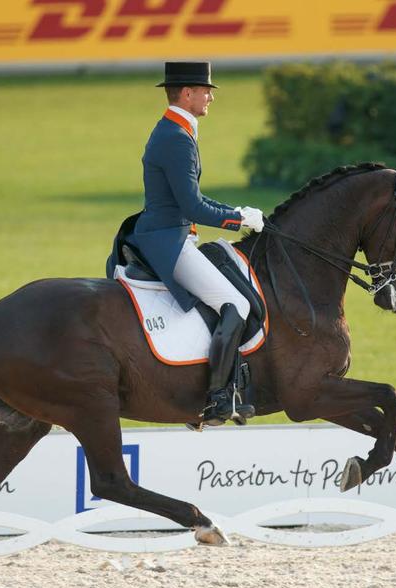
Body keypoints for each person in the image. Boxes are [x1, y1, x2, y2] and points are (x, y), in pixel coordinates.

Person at [126, 62, 265, 426]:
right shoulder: (175, 137)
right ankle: (218, 398)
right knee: (235, 303)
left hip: (171, 232)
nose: (211, 96)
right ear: (186, 93)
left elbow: (194, 197)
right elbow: (191, 206)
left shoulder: (176, 130)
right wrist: (238, 221)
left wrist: (237, 210)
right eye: (206, 90)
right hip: (168, 241)